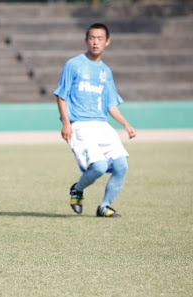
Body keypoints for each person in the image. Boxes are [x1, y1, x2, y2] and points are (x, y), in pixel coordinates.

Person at [53, 23, 136, 218]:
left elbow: (110, 105)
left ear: (107, 42)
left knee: (121, 165)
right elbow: (61, 95)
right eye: (92, 38)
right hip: (80, 124)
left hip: (102, 125)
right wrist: (66, 123)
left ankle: (105, 206)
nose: (95, 42)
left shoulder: (105, 71)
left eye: (100, 38)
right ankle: (77, 189)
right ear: (86, 40)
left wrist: (125, 124)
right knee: (98, 166)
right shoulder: (74, 64)